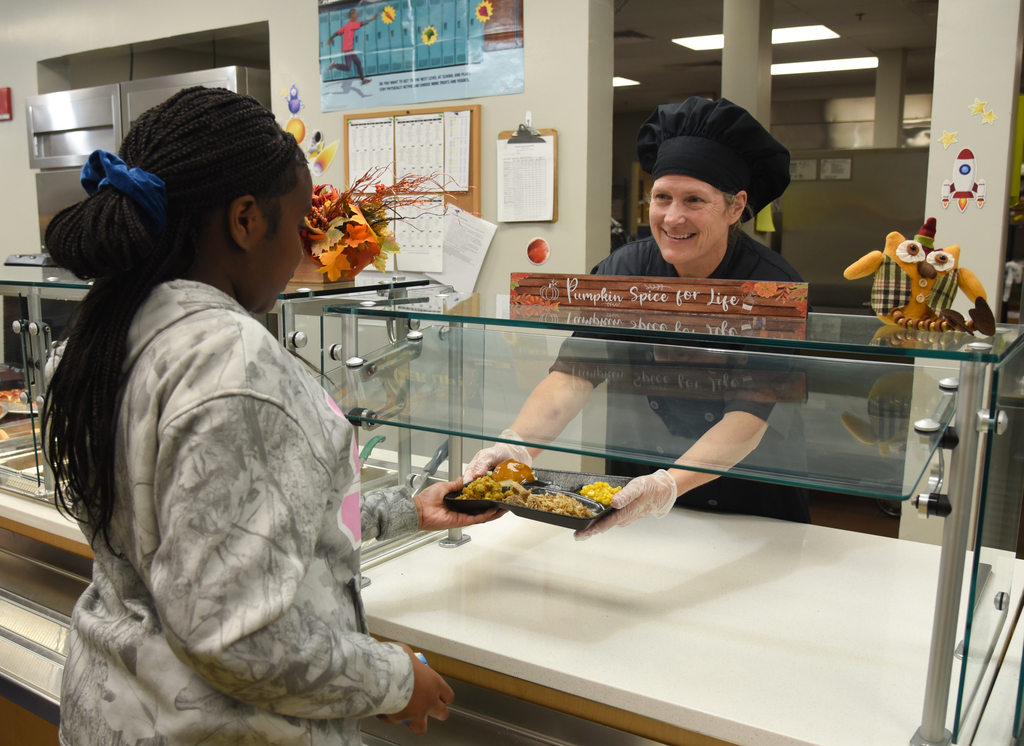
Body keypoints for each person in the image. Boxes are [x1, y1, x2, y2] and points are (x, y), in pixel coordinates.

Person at [44, 87, 500, 746]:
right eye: (296, 229)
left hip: (113, 706)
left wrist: (403, 510)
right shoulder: (233, 363)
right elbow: (234, 635)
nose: (298, 256)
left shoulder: (110, 329)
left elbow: (215, 521)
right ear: (245, 221)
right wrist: (394, 679)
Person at [464, 97, 810, 539]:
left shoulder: (773, 289)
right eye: (662, 197)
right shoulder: (622, 272)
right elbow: (574, 375)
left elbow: (750, 415)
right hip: (638, 491)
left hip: (751, 499)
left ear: (736, 207)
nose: (673, 217)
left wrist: (669, 484)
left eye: (694, 200)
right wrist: (516, 444)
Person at [323, 8, 378, 85]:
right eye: (356, 14)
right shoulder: (352, 24)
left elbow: (337, 32)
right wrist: (372, 19)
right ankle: (334, 65)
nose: (357, 15)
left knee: (358, 63)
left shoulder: (346, 26)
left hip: (350, 49)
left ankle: (363, 80)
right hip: (347, 49)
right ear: (353, 16)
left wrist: (330, 39)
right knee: (348, 67)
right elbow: (362, 23)